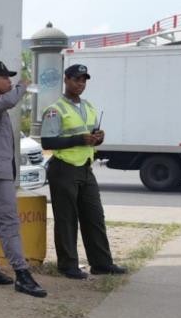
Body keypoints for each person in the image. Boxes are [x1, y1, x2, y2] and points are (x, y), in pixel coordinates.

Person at [40, 64, 127, 279]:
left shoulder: (88, 107)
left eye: (84, 80)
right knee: (67, 220)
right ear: (66, 80)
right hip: (64, 169)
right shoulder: (55, 109)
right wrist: (80, 139)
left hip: (86, 169)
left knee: (94, 217)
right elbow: (48, 141)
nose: (80, 84)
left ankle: (101, 264)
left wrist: (99, 137)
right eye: (76, 80)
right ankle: (67, 265)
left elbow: (91, 133)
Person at [0, 61, 47, 298]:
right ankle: (22, 274)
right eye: (5, 78)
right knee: (8, 223)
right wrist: (24, 86)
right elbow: (9, 100)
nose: (9, 81)